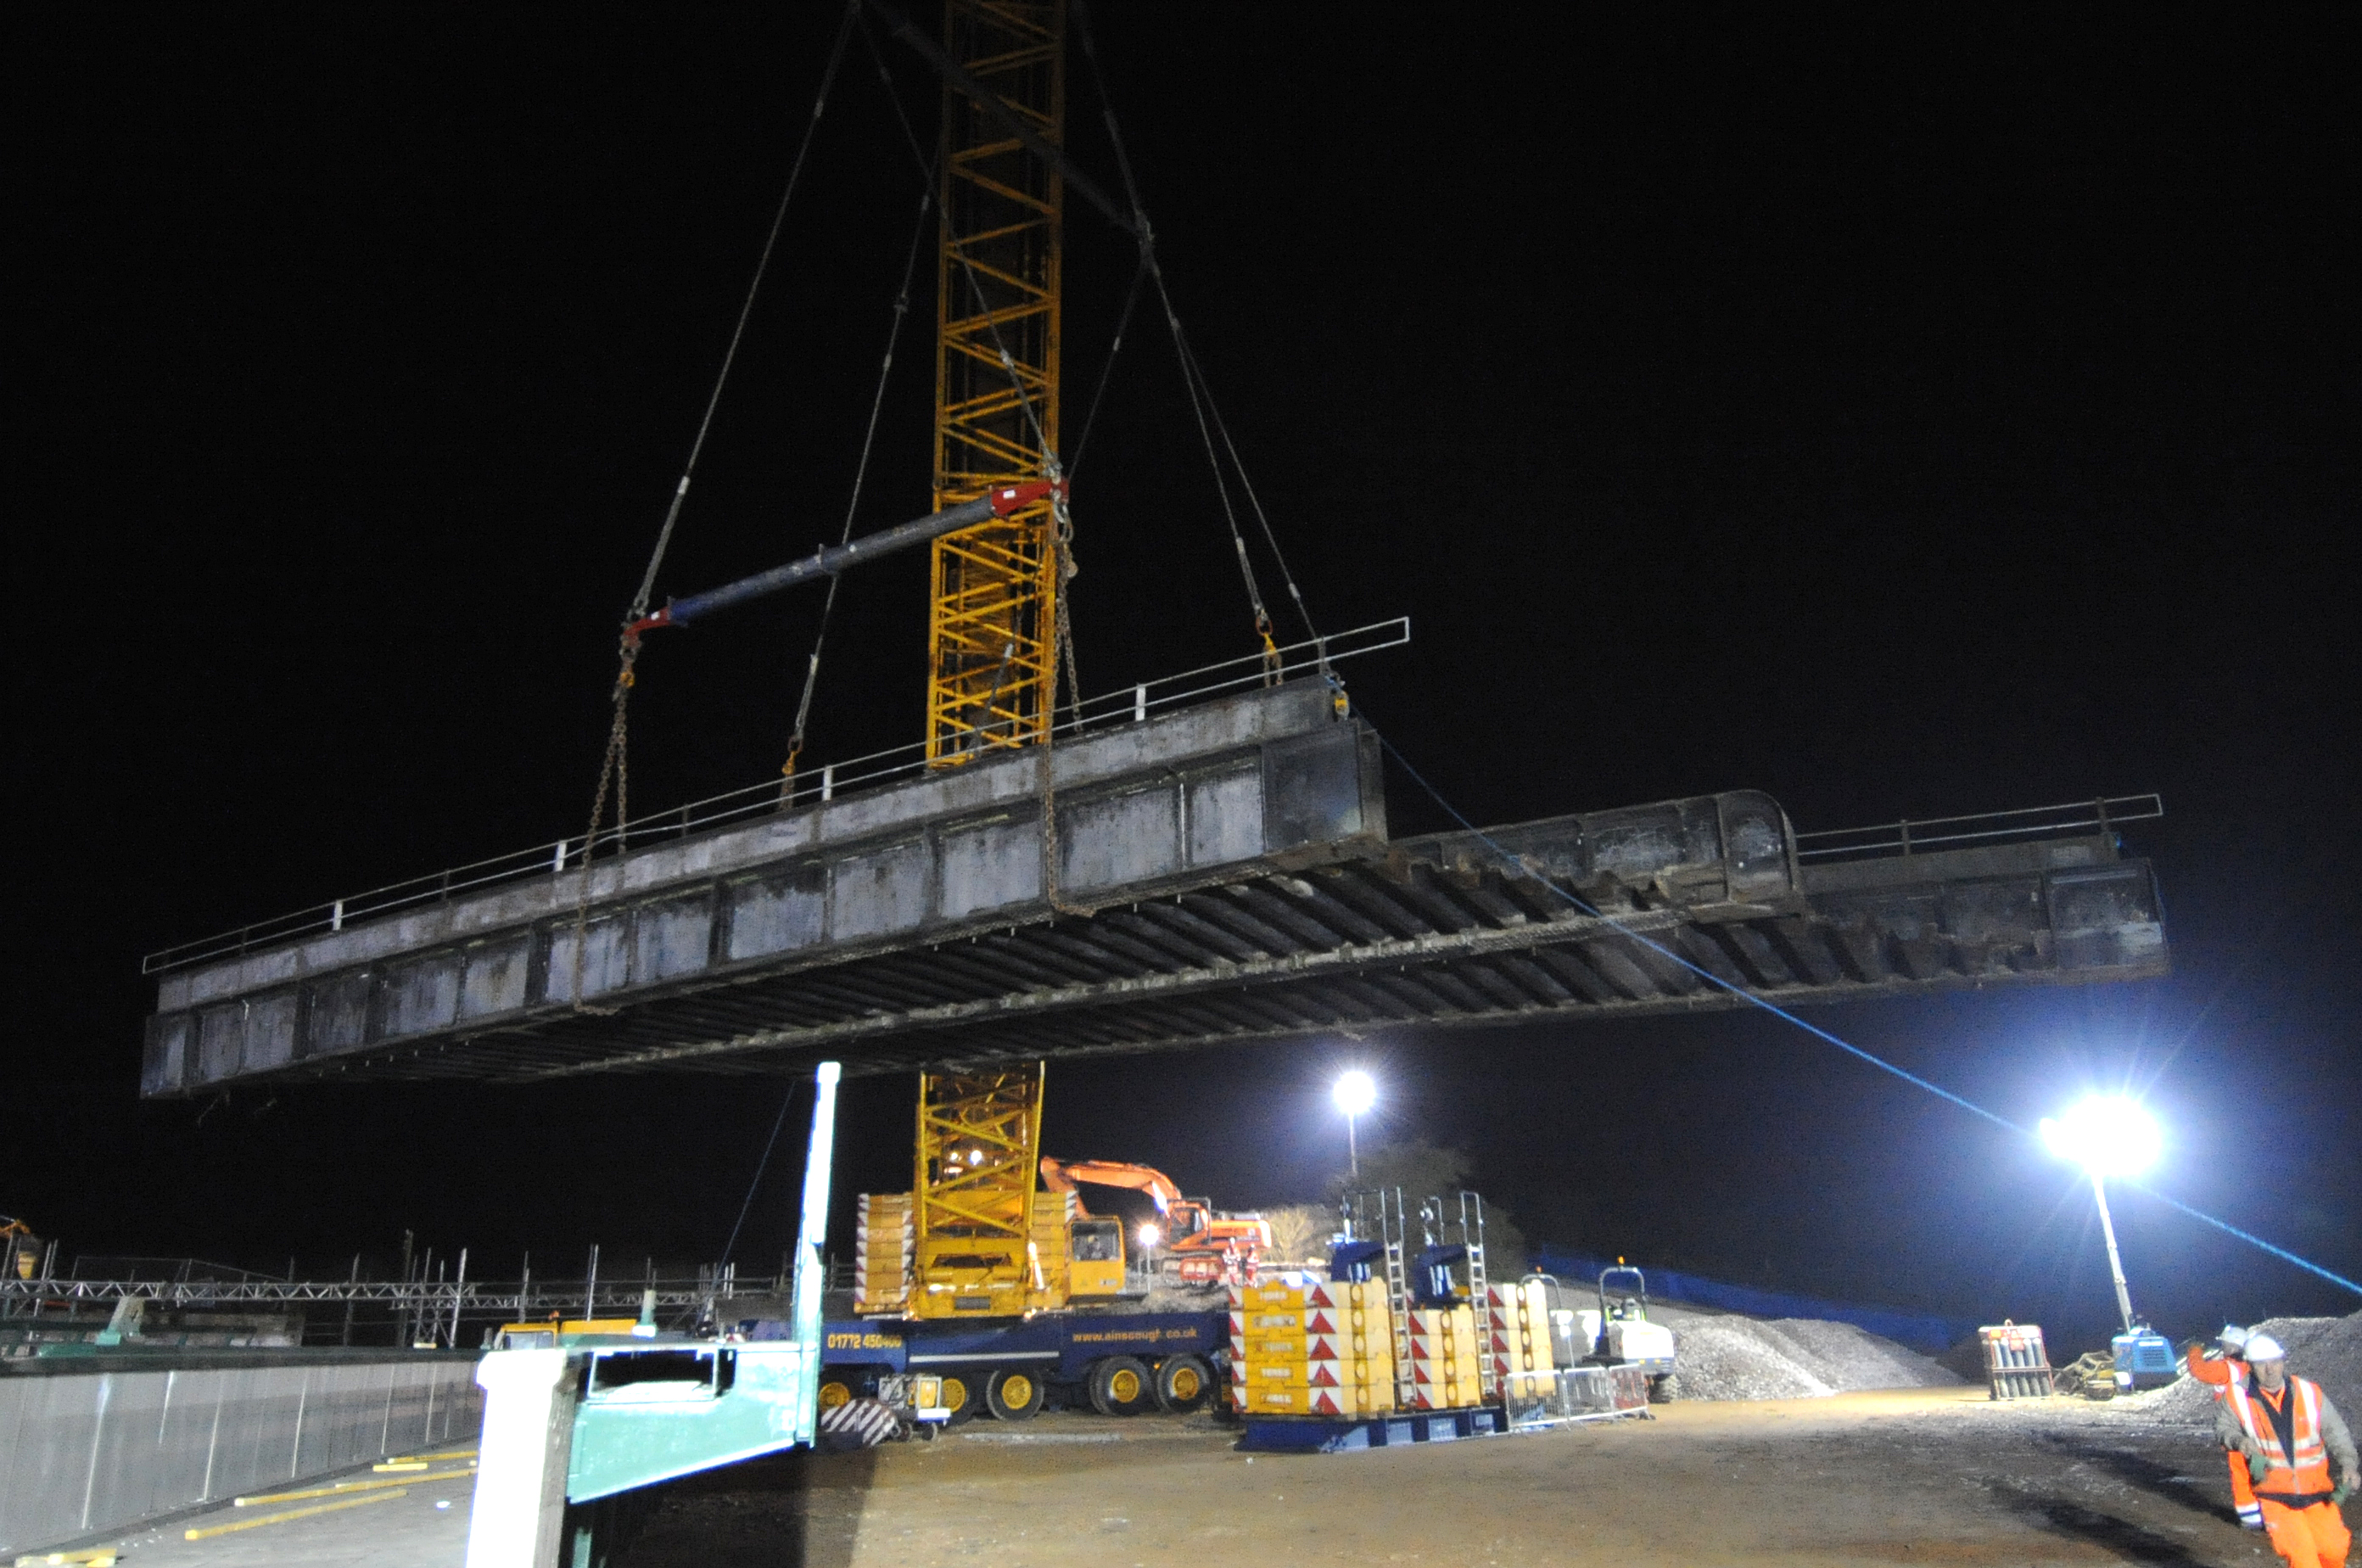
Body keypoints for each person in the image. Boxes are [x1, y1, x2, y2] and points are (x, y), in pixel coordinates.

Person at [2215, 1333, 2358, 1568]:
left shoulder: (2309, 1392)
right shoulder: (2237, 1397)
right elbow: (2223, 1428)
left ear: (2283, 1361)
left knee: (2334, 1552)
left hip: (2318, 1493)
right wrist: (2238, 1441)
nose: (2270, 1370)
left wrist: (2349, 1464)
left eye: (2274, 1362)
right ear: (2250, 1366)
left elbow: (2337, 1432)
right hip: (2275, 1497)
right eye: (2262, 1364)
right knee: (2304, 1560)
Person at [2188, 1324, 2264, 1529]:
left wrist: (2195, 1349)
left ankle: (2252, 1518)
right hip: (2259, 1425)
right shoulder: (2254, 1366)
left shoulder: (2226, 1368)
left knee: (2241, 1472)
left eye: (2224, 1344)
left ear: (2231, 1346)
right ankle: (2272, 1512)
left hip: (2235, 1427)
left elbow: (2199, 1370)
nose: (2222, 1347)